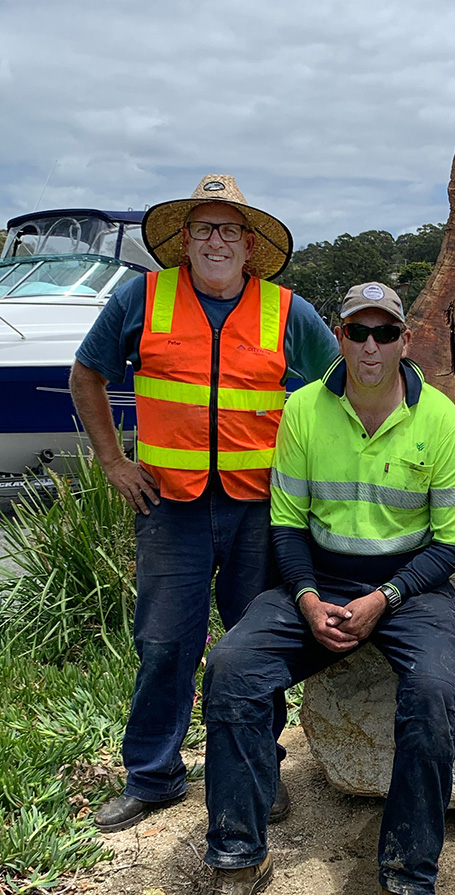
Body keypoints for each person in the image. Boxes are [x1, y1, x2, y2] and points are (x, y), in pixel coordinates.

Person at [193, 282, 455, 895]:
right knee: (233, 670)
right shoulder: (304, 411)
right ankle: (237, 860)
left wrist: (386, 597)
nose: (371, 345)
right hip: (319, 577)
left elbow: (453, 543)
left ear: (405, 341)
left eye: (385, 332)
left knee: (433, 695)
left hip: (411, 585)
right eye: (358, 331)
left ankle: (407, 884)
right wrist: (310, 599)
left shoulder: (438, 418)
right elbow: (286, 524)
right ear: (340, 338)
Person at [70, 175, 339, 834]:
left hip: (258, 513)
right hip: (170, 509)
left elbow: (336, 391)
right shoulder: (143, 297)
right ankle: (153, 776)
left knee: (255, 649)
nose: (216, 240)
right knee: (164, 643)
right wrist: (113, 462)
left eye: (228, 230)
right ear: (185, 241)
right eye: (203, 229)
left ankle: (256, 770)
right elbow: (87, 375)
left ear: (249, 246)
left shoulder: (288, 311)